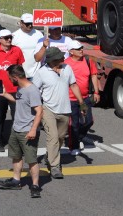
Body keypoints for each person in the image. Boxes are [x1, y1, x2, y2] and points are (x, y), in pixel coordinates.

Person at [32, 47, 88, 179]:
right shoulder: (41, 73)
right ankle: (55, 166)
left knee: (60, 137)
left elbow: (73, 85)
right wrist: (37, 108)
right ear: (52, 60)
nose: (63, 58)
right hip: (48, 109)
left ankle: (49, 155)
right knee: (53, 137)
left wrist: (82, 103)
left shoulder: (67, 68)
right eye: (60, 57)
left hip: (65, 109)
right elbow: (34, 90)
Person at [0, 65, 45, 198]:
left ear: (16, 77)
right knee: (16, 156)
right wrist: (6, 94)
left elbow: (39, 111)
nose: (9, 80)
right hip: (16, 128)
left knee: (32, 160)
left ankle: (35, 185)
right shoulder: (21, 88)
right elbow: (19, 102)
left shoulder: (32, 90)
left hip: (27, 131)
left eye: (10, 78)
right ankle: (16, 181)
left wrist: (33, 129)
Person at [65, 40, 99, 155]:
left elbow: (94, 75)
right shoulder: (66, 64)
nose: (81, 50)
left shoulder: (88, 61)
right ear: (71, 51)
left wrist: (96, 92)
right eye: (78, 49)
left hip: (85, 98)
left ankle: (78, 137)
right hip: (71, 98)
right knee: (74, 124)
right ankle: (73, 146)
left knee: (89, 121)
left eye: (81, 48)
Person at [12, 13, 44, 79]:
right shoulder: (14, 36)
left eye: (31, 23)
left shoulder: (39, 34)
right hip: (21, 74)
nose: (30, 26)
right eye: (27, 24)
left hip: (36, 74)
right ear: (21, 23)